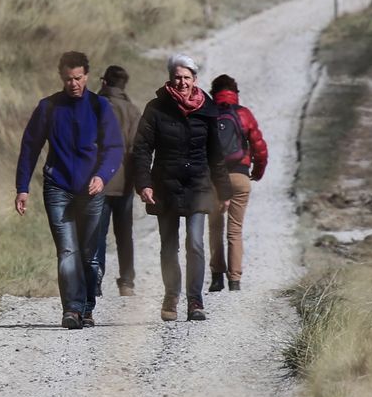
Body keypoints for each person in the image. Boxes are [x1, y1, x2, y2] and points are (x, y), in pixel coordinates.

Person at [15, 50, 123, 330]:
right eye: (68, 79)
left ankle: (87, 307)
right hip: (57, 186)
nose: (73, 84)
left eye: (78, 78)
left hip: (91, 190)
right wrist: (22, 187)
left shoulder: (100, 107)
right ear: (61, 78)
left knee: (88, 254)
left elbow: (114, 148)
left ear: (86, 76)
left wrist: (102, 176)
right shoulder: (48, 108)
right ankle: (71, 310)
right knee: (67, 251)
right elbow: (30, 147)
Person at [128, 53, 222, 322]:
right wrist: (144, 184)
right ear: (171, 79)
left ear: (195, 80)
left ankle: (195, 300)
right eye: (177, 78)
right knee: (169, 247)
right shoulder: (156, 108)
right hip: (165, 186)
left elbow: (216, 153)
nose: (182, 82)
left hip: (198, 185)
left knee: (195, 243)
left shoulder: (207, 109)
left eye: (186, 78)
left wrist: (223, 190)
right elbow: (142, 149)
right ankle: (171, 295)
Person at [206, 73, 268, 293]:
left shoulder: (209, 113)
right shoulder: (243, 114)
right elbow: (259, 146)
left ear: (213, 93)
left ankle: (216, 277)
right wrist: (257, 172)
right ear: (235, 94)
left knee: (214, 227)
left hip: (214, 178)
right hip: (240, 176)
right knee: (235, 230)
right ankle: (234, 280)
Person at [91, 65, 143, 300]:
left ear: (104, 82)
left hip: (97, 180)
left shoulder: (92, 107)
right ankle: (127, 283)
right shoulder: (132, 111)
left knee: (97, 234)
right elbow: (136, 148)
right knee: (124, 235)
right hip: (124, 183)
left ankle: (96, 280)